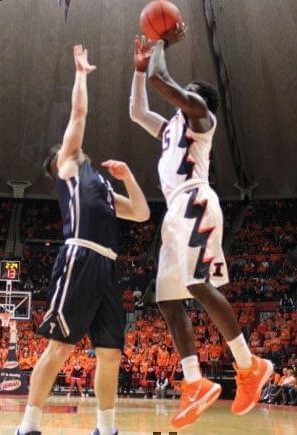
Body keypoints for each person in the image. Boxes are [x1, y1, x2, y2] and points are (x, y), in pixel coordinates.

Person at [129, 27, 273, 429]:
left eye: (187, 91)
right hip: (174, 212)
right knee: (166, 299)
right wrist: (139, 72)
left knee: (195, 284)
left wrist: (161, 42)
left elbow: (164, 81)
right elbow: (138, 112)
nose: (181, 93)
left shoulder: (200, 117)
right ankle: (195, 382)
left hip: (195, 200)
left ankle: (249, 365)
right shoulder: (171, 127)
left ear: (198, 101)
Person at [16, 44, 150, 435]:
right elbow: (78, 113)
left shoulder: (104, 187)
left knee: (110, 353)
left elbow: (141, 213)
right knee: (59, 346)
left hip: (107, 265)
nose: (76, 143)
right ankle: (28, 427)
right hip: (80, 256)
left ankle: (106, 430)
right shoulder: (69, 166)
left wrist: (128, 178)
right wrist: (80, 74)